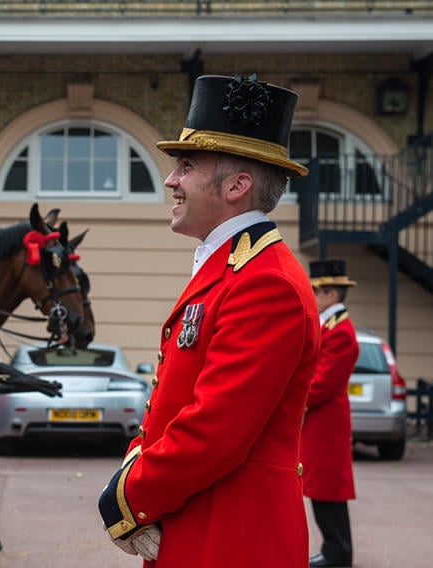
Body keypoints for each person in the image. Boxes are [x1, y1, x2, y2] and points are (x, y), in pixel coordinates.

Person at [98, 73, 321, 566]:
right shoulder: (235, 267)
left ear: (238, 186)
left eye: (187, 166)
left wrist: (125, 498)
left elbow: (214, 431)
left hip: (232, 536)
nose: (171, 180)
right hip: (200, 521)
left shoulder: (266, 283)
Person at [303, 259, 359, 567]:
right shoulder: (331, 326)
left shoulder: (341, 331)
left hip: (327, 421)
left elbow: (322, 382)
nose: (312, 294)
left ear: (332, 295)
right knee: (321, 489)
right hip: (322, 420)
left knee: (327, 490)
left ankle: (339, 553)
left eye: (316, 290)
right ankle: (334, 549)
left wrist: (294, 399)